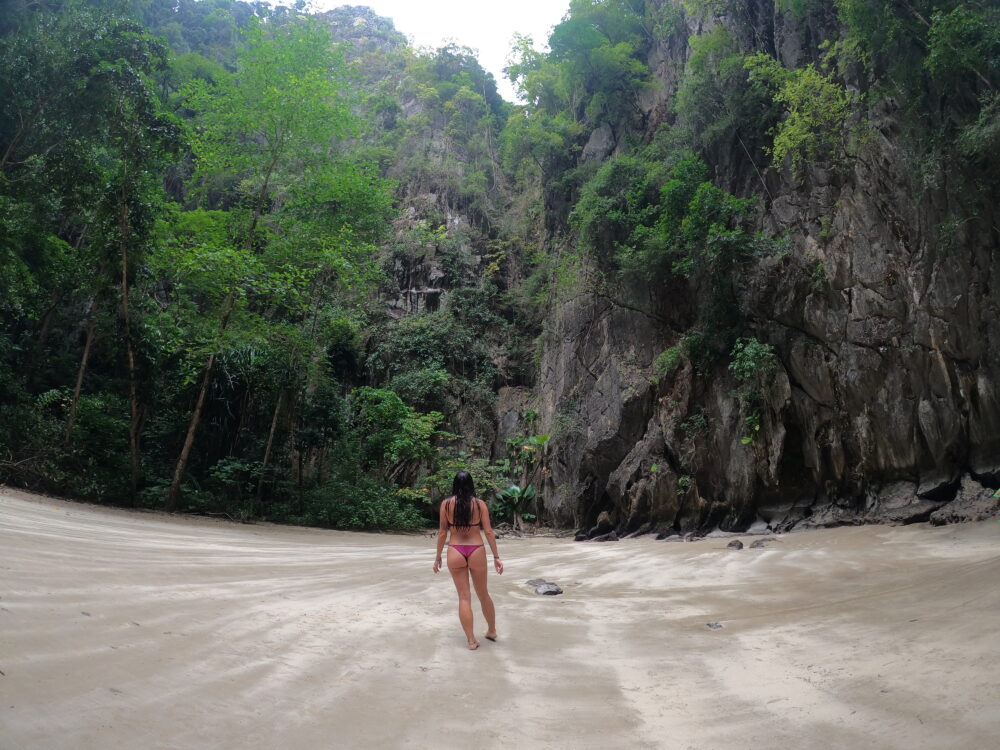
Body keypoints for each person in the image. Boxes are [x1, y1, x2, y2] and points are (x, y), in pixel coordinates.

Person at [433, 471, 503, 650]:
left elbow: (442, 532)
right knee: (483, 594)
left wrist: (438, 557)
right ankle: (492, 631)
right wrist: (496, 557)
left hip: (455, 550)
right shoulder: (480, 505)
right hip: (476, 550)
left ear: (454, 485)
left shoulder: (446, 504)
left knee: (464, 597)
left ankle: (471, 640)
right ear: (471, 485)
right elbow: (488, 532)